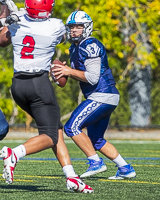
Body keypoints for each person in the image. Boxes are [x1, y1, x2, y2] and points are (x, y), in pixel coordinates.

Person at [0, 1, 94, 193]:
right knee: (50, 135)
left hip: (18, 85)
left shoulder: (17, 23)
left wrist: (7, 21)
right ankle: (14, 154)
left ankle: (72, 178)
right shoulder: (55, 26)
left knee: (55, 129)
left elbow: (2, 40)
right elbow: (67, 35)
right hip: (39, 85)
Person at [51, 10, 136, 180]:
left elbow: (92, 77)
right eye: (72, 27)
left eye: (78, 26)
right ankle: (125, 168)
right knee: (96, 139)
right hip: (103, 96)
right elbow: (81, 74)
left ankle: (95, 162)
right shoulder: (74, 48)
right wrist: (64, 73)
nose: (74, 30)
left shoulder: (90, 44)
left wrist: (68, 70)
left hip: (102, 94)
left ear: (87, 28)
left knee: (71, 127)